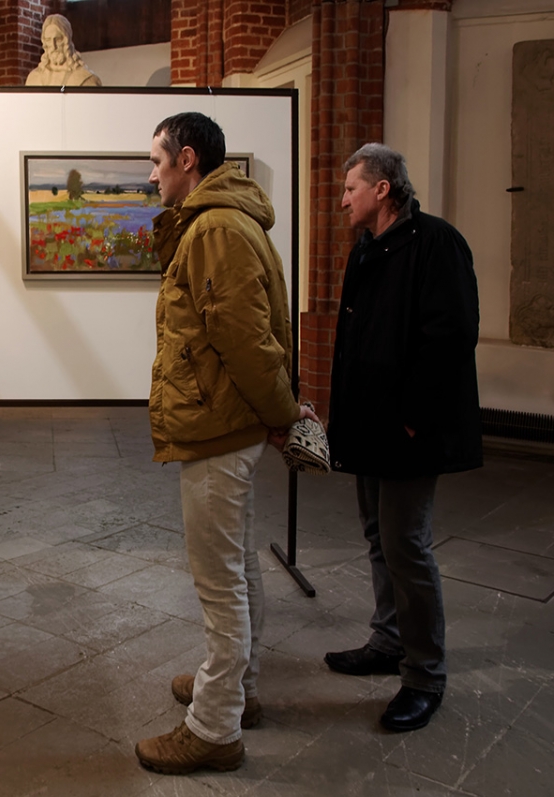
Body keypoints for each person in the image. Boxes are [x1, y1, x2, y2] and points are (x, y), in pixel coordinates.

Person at [133, 112, 314, 775]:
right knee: (236, 567)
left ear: (187, 159)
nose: (151, 174)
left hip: (218, 427)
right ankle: (239, 690)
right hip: (226, 421)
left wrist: (281, 413)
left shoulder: (214, 228)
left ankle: (213, 728)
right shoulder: (222, 221)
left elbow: (245, 339)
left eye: (157, 161)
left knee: (220, 584)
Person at [324, 143, 482, 732]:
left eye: (351, 189)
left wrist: (414, 416)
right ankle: (389, 640)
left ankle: (424, 676)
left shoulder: (437, 243)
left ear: (382, 189)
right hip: (369, 426)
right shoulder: (367, 249)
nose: (343, 201)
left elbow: (452, 336)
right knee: (379, 537)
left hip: (410, 432)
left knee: (406, 544)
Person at [24, 14, 101, 87]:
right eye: (48, 40)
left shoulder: (85, 79)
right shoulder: (34, 78)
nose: (53, 46)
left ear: (67, 40)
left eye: (58, 39)